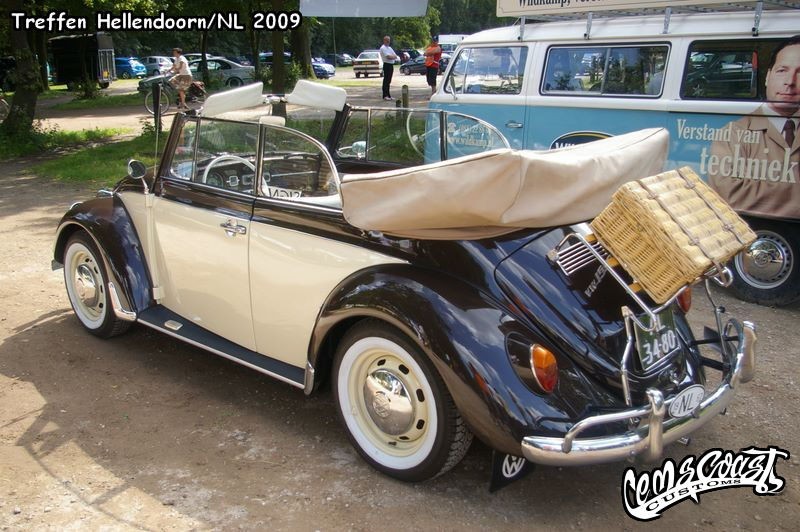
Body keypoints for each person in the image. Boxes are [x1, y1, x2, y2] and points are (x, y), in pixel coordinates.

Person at [708, 35, 799, 220]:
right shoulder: (733, 132)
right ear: (767, 77)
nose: (790, 81)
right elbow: (729, 193)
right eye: (782, 70)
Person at [379, 36, 399, 101]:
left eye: (389, 40)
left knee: (389, 81)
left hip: (391, 65)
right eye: (387, 40)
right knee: (386, 80)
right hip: (386, 64)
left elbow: (395, 56)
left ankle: (389, 95)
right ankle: (385, 95)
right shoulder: (383, 48)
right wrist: (393, 56)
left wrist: (393, 56)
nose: (388, 42)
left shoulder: (389, 48)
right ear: (384, 40)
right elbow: (388, 57)